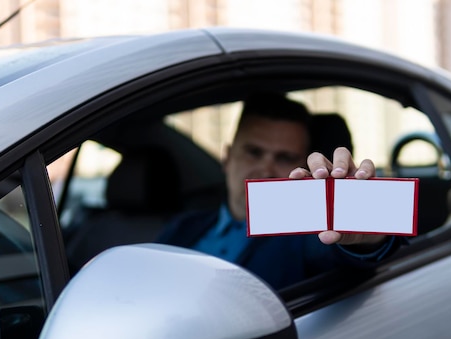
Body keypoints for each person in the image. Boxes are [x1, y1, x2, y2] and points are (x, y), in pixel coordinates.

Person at [156, 92, 398, 290]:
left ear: (302, 166)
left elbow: (339, 247)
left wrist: (364, 220)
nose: (265, 168)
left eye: (284, 157)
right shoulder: (182, 228)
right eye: (254, 152)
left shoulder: (304, 232)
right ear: (227, 158)